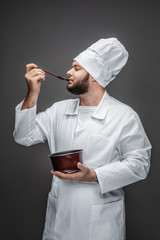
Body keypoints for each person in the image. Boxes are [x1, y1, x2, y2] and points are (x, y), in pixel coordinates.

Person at [13, 38, 152, 240]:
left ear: (95, 76)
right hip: (59, 220)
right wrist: (32, 93)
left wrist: (94, 175)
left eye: (76, 68)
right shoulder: (58, 110)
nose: (69, 72)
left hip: (100, 226)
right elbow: (23, 136)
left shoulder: (124, 115)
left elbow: (140, 164)